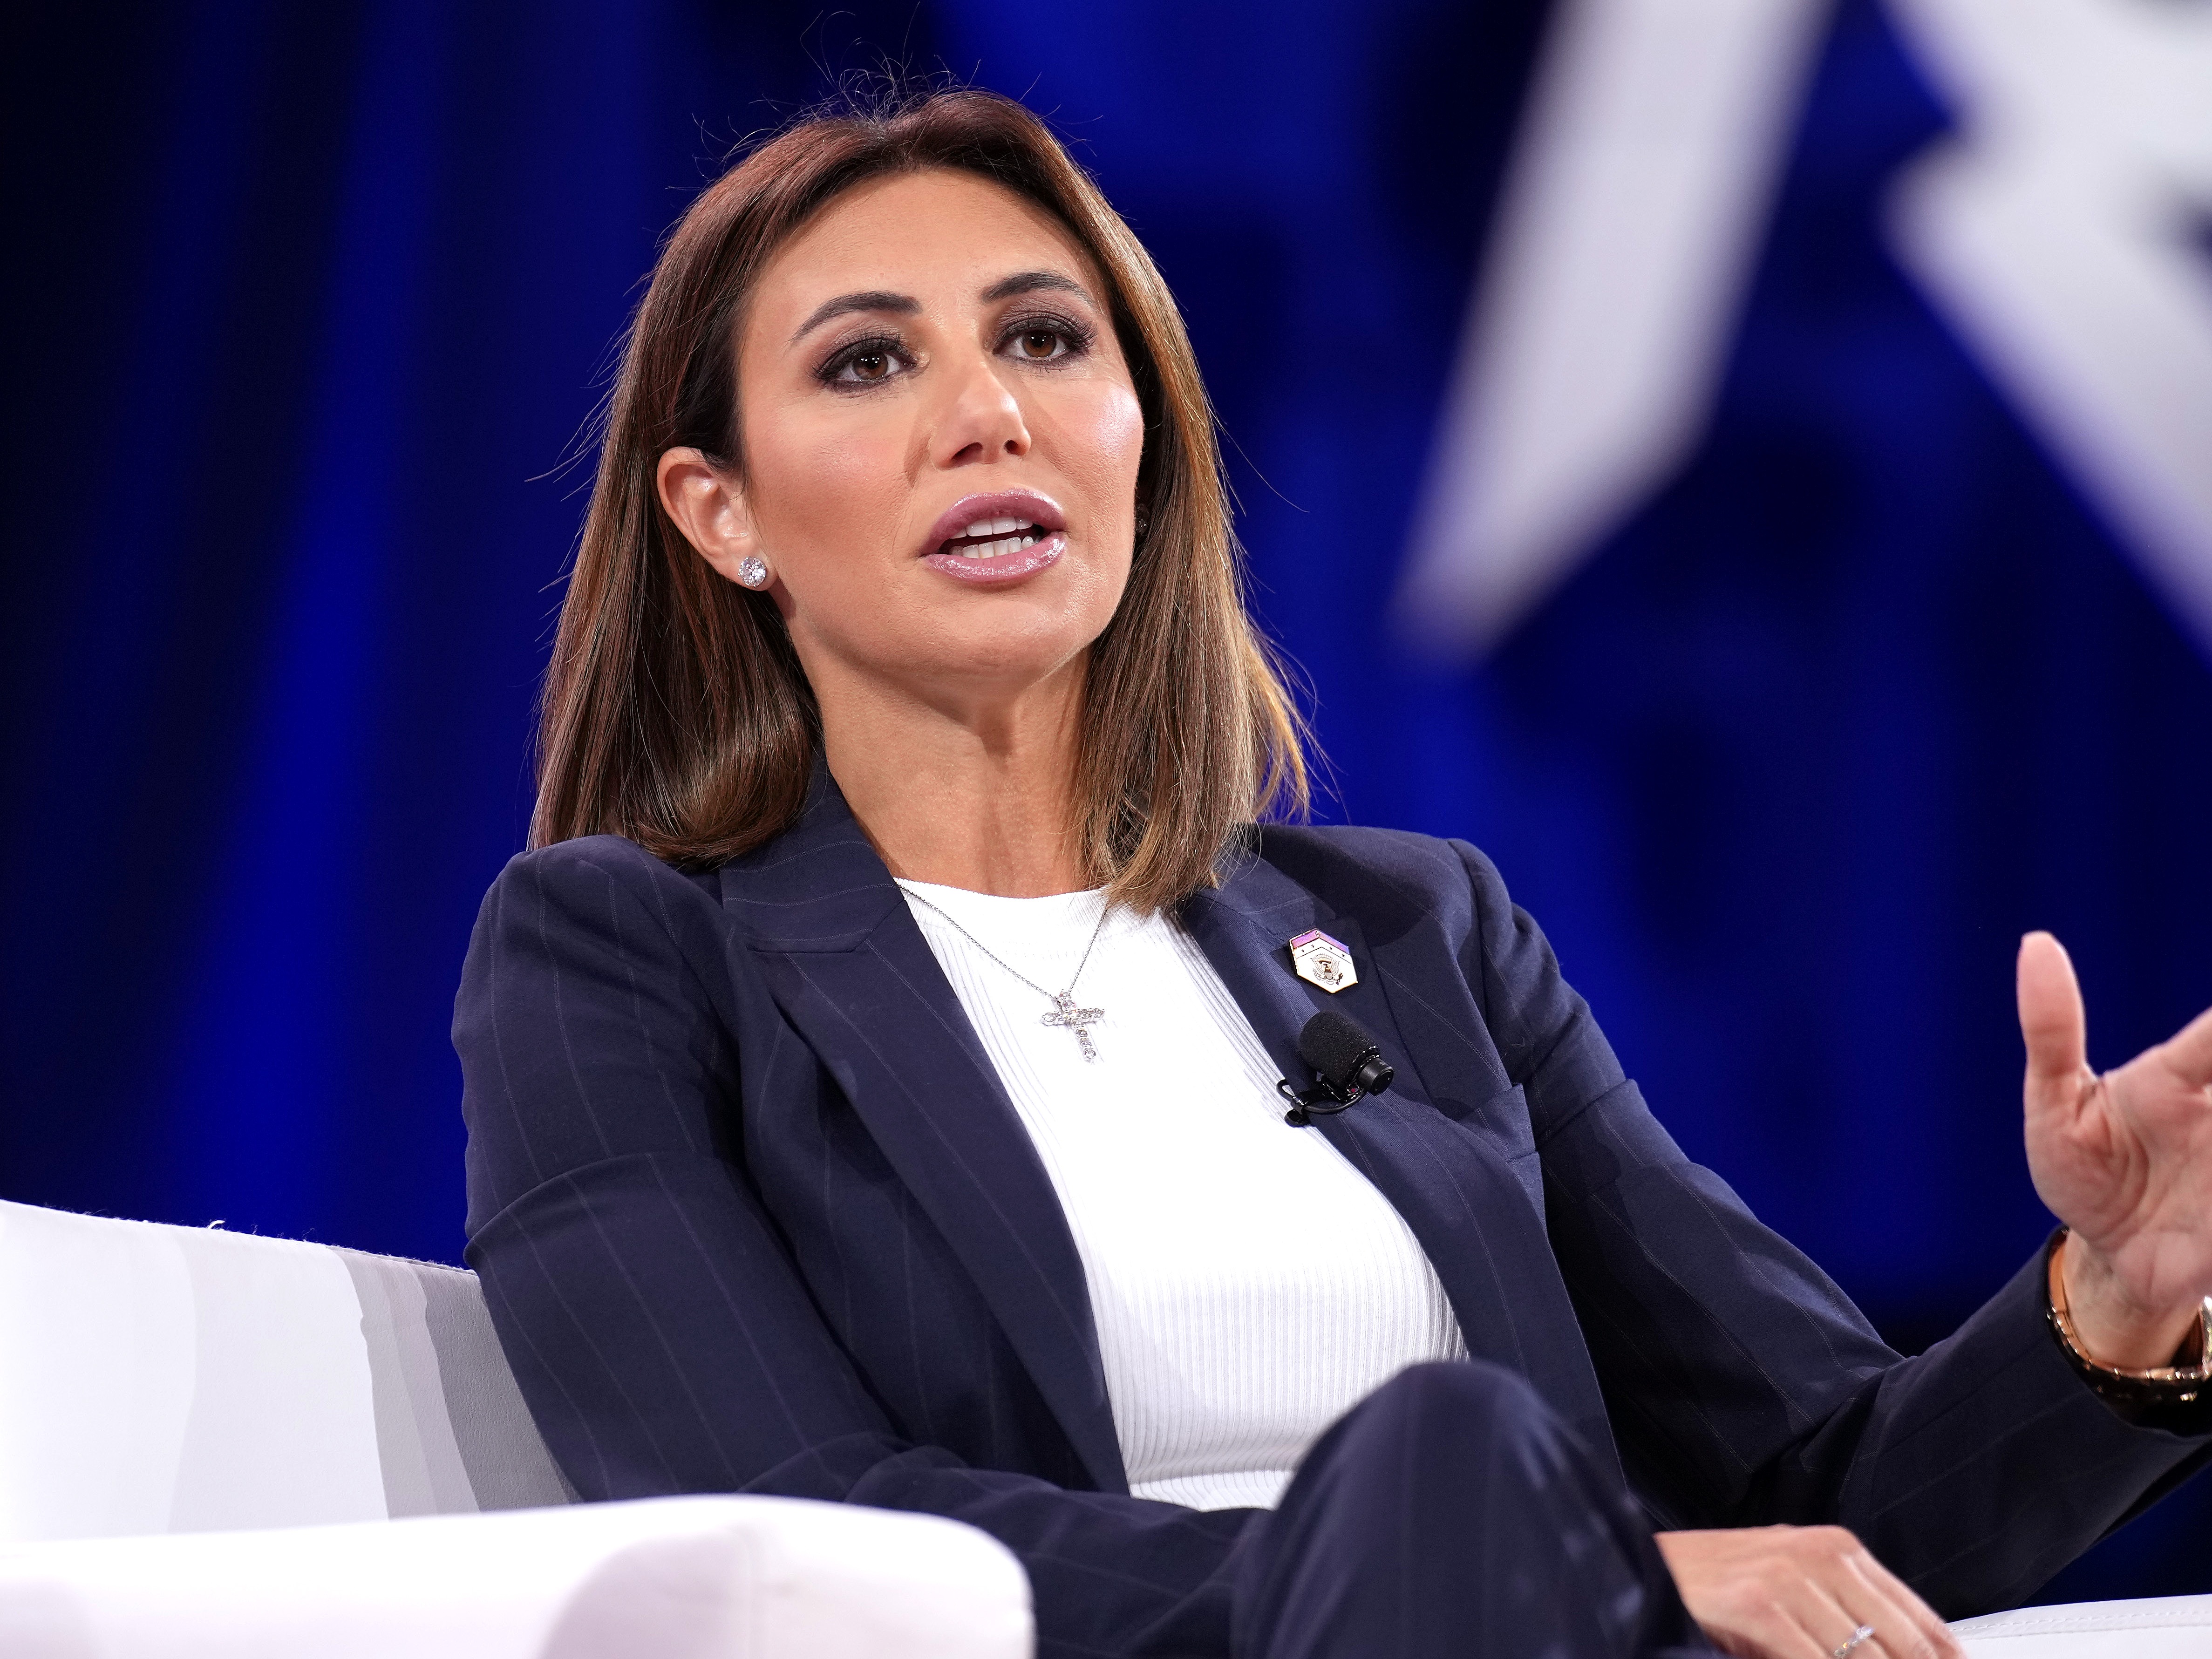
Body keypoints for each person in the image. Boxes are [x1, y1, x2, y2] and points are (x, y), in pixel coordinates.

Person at [452, 88, 2212, 1659]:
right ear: (720, 512)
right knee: (1456, 1453)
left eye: (1048, 340)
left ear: (1142, 434)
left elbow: (1829, 1502)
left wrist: (2115, 1307)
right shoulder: (617, 955)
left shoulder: (1412, 929)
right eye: (867, 361)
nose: (987, 412)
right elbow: (791, 1517)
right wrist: (1549, 1568)